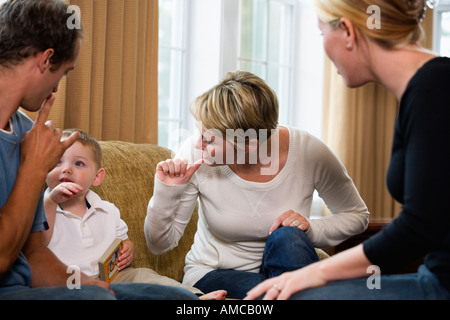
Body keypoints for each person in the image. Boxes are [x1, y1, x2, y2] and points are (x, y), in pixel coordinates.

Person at [245, 0, 450, 300]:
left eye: (321, 34)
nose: (323, 48)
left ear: (347, 32)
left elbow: (419, 227)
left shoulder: (435, 86)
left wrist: (313, 273)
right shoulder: (423, 88)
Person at [0, 0, 195, 300]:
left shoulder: (28, 133)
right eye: (63, 73)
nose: (55, 90)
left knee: (174, 299)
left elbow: (35, 255)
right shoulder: (34, 149)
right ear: (45, 60)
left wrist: (89, 284)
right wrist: (33, 168)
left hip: (32, 287)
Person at [145, 70, 370, 299]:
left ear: (250, 145)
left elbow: (357, 215)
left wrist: (311, 228)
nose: (198, 144)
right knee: (295, 293)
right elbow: (159, 245)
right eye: (199, 132)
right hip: (214, 273)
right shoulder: (195, 152)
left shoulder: (309, 153)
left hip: (286, 264)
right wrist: (167, 191)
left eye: (210, 139)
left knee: (288, 236)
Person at [44, 129, 226, 300]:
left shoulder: (107, 209)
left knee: (145, 275)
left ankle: (193, 296)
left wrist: (128, 249)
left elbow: (122, 240)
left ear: (97, 177)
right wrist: (51, 201)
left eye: (78, 163)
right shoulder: (42, 208)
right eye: (57, 162)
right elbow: (39, 242)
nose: (66, 169)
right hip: (68, 280)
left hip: (111, 276)